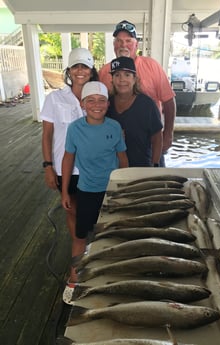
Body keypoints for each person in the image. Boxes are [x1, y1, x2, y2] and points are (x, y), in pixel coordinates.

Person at [61, 81, 128, 302]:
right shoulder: (75, 128)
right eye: (91, 101)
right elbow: (68, 159)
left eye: (101, 101)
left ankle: (111, 275)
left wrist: (124, 187)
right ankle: (74, 277)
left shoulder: (114, 128)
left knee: (113, 233)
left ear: (107, 104)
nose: (96, 105)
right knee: (80, 236)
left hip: (111, 190)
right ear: (83, 104)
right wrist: (64, 192)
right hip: (87, 190)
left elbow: (122, 158)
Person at [40, 47, 98, 294]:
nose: (80, 71)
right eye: (76, 67)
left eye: (85, 66)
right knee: (73, 214)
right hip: (65, 169)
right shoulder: (55, 99)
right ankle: (76, 269)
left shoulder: (97, 98)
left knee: (93, 215)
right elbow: (47, 135)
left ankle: (92, 258)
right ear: (69, 71)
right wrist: (47, 167)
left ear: (91, 71)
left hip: (92, 169)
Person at [99, 20, 176, 166]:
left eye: (128, 40)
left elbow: (168, 101)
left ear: (136, 45)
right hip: (115, 146)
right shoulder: (104, 71)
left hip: (151, 142)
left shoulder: (152, 66)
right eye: (119, 41)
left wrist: (168, 134)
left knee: (153, 181)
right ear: (114, 45)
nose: (123, 45)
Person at [107, 56, 163, 167]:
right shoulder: (106, 104)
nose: (122, 79)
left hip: (141, 168)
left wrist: (155, 165)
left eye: (127, 75)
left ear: (134, 79)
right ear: (112, 79)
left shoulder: (147, 104)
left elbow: (157, 137)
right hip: (112, 168)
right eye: (117, 75)